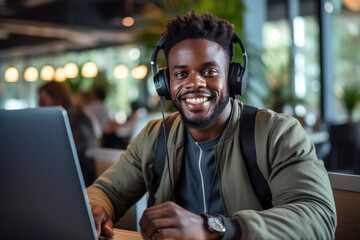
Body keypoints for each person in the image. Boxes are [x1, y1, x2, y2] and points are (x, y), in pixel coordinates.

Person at [87, 11, 336, 239]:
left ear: (233, 78)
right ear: (165, 83)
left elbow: (318, 217)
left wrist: (216, 228)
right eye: (181, 74)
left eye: (209, 71)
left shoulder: (277, 133)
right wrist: (94, 208)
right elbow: (108, 191)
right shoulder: (155, 136)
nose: (194, 83)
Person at [38, 81, 98, 187]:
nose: (40, 105)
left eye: (43, 100)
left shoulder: (79, 118)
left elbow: (74, 153)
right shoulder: (51, 120)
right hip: (60, 172)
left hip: (78, 175)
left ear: (56, 97)